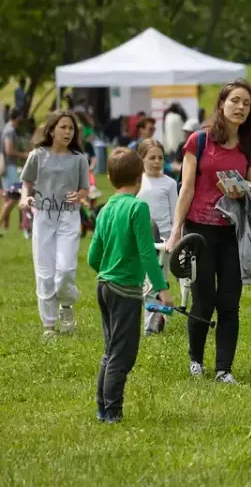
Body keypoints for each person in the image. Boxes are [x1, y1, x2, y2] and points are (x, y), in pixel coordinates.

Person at [165, 79, 251, 384]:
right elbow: (187, 188)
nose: (240, 107)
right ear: (221, 104)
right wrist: (175, 232)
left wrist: (243, 193)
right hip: (199, 232)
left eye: (246, 103)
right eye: (235, 101)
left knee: (229, 303)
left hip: (233, 233)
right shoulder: (199, 141)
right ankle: (196, 359)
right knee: (203, 299)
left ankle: (224, 369)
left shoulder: (249, 146)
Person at [87, 147, 174, 423]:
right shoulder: (138, 208)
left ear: (110, 177)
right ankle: (113, 412)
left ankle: (102, 409)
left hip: (103, 285)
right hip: (124, 290)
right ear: (139, 178)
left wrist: (107, 270)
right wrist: (162, 288)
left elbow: (92, 257)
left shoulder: (105, 209)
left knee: (110, 350)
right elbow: (148, 253)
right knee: (123, 355)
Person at [19, 111, 91, 336]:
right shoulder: (37, 155)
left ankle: (66, 305)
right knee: (45, 273)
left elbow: (84, 190)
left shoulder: (79, 158)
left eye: (71, 128)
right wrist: (24, 198)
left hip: (69, 217)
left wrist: (79, 196)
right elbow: (26, 182)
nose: (68, 132)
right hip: (43, 217)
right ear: (51, 130)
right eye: (63, 127)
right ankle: (49, 325)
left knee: (66, 269)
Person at [136, 140, 178, 334]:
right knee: (142, 283)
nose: (156, 161)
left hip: (163, 242)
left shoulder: (169, 183)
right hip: (139, 239)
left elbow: (174, 211)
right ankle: (154, 315)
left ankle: (152, 326)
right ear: (141, 159)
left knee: (157, 282)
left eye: (160, 158)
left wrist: (173, 238)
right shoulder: (137, 182)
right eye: (151, 157)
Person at [2, 109, 28, 233]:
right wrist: (24, 155)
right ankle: (5, 225)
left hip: (10, 167)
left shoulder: (9, 129)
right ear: (17, 117)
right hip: (10, 167)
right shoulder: (9, 130)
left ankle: (5, 227)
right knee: (13, 197)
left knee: (10, 198)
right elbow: (9, 151)